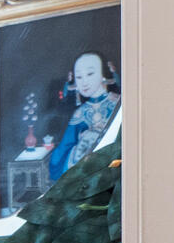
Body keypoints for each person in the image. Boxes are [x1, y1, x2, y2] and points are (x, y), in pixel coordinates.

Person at [46, 51, 121, 180]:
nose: (84, 82)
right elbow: (66, 146)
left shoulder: (118, 104)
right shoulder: (80, 112)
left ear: (103, 75)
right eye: (79, 77)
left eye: (90, 74)